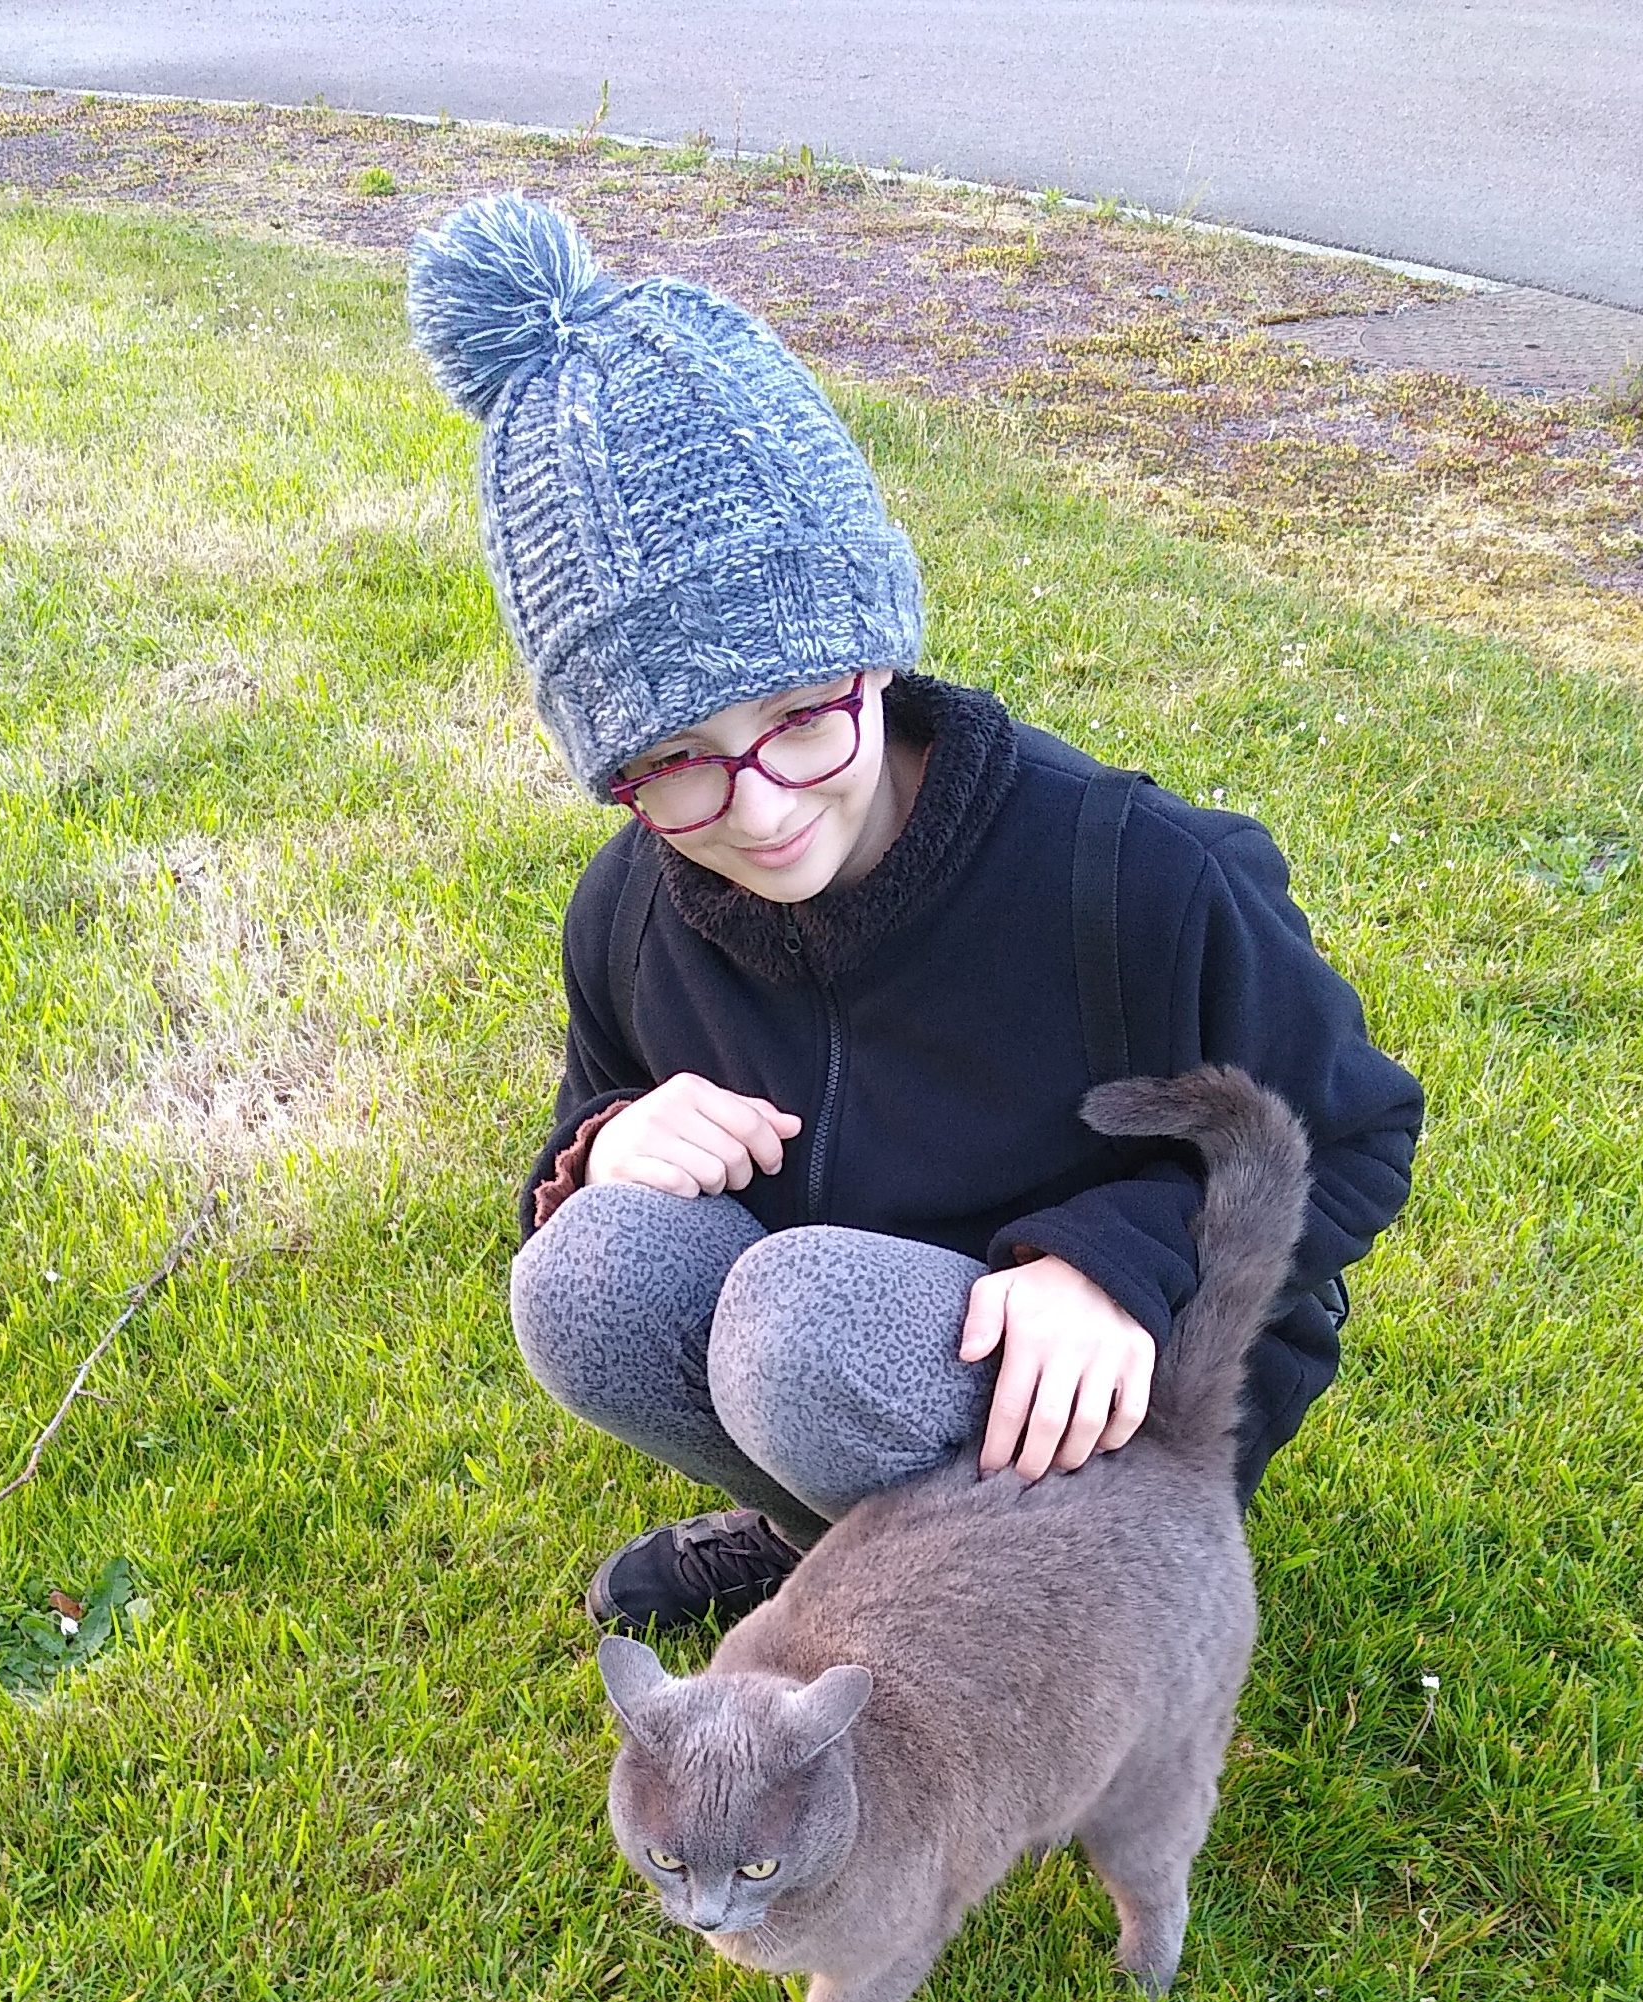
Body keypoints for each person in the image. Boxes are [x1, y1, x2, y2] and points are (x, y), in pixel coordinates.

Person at [409, 196, 1422, 1631]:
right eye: (675, 762)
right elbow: (590, 1128)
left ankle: (1059, 1609)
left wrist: (1126, 1265)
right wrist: (611, 1144)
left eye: (799, 719)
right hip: (844, 1361)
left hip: (1124, 1382)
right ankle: (834, 1540)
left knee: (803, 1332)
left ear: (874, 655)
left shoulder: (1133, 875)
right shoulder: (630, 913)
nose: (761, 810)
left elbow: (1351, 1136)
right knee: (585, 1275)